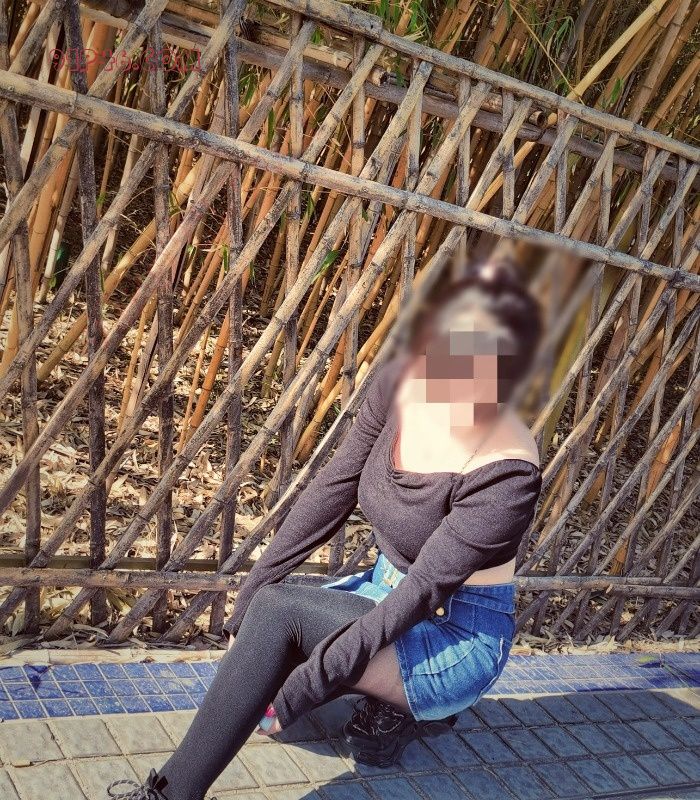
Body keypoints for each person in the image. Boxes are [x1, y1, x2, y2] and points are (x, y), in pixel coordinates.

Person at [106, 247, 543, 799]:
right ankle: (388, 704)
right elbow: (332, 489)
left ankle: (171, 796)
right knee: (265, 633)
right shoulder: (402, 384)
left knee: (281, 627)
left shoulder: (507, 470)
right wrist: (253, 592)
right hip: (384, 590)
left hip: (454, 631)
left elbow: (423, 592)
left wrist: (300, 692)